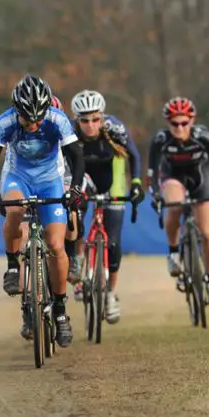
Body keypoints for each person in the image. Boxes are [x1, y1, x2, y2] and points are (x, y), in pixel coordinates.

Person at [0, 74, 85, 347]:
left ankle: (61, 311)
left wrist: (74, 190)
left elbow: (77, 156)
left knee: (55, 245)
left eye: (39, 118)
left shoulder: (57, 119)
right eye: (29, 120)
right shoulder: (5, 122)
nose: (35, 125)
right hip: (19, 176)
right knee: (14, 211)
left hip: (50, 180)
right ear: (17, 112)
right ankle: (13, 267)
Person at [65, 90, 144, 323]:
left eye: (95, 119)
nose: (90, 125)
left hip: (113, 179)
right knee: (74, 212)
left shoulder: (114, 127)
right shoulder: (68, 131)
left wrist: (137, 184)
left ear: (102, 117)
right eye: (85, 120)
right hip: (83, 177)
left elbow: (135, 156)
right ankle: (77, 258)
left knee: (114, 242)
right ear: (77, 120)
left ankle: (109, 293)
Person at [148, 97, 209, 306]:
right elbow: (152, 171)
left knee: (207, 233)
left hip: (199, 177)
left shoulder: (204, 137)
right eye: (174, 123)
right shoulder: (161, 139)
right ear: (167, 123)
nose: (179, 128)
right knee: (175, 204)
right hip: (172, 176)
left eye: (184, 123)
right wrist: (154, 192)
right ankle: (174, 252)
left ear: (192, 121)